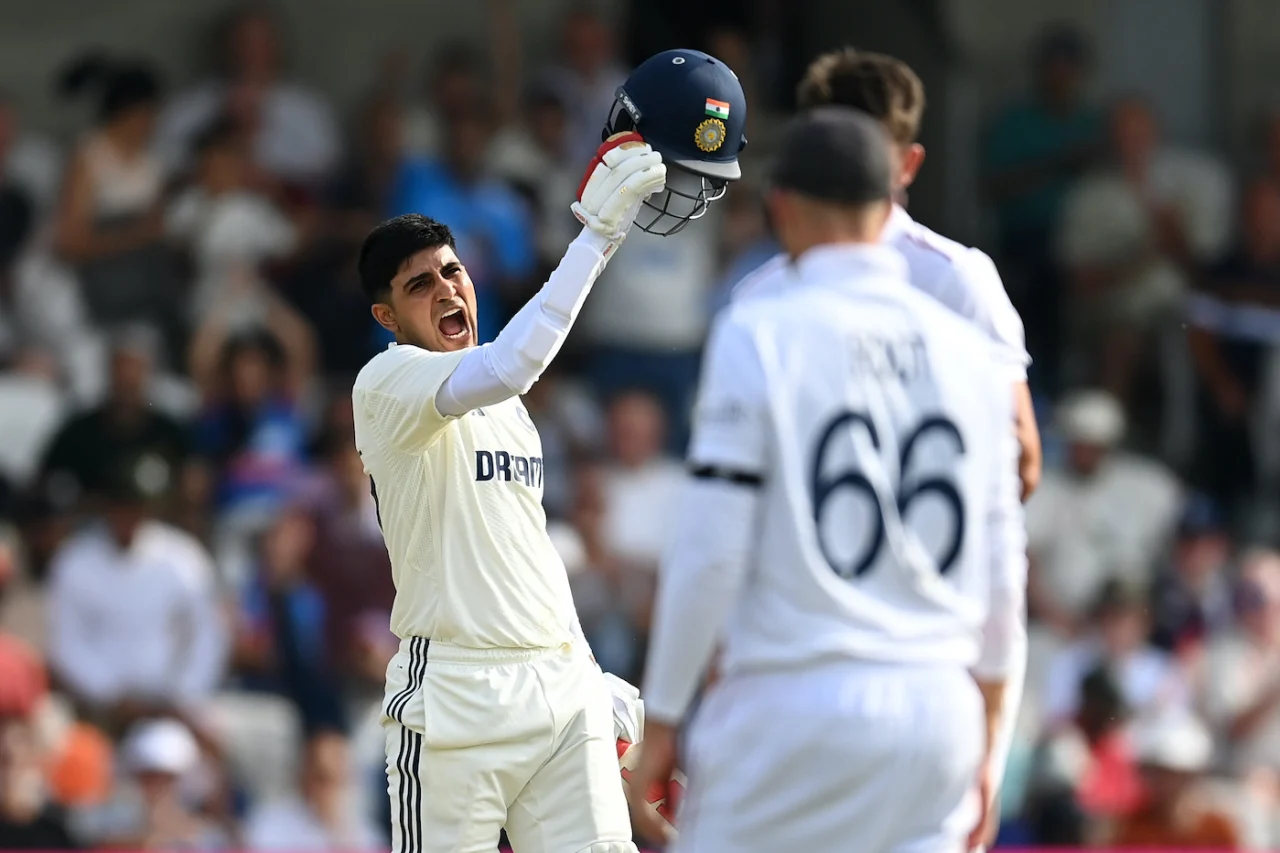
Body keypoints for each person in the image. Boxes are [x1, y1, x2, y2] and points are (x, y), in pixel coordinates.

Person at [353, 46, 740, 853]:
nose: (448, 289)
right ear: (388, 319)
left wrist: (587, 675)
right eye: (419, 284)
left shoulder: (510, 408)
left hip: (556, 692)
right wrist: (599, 233)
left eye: (452, 271)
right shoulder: (387, 384)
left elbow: (519, 555)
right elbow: (513, 362)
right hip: (455, 698)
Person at [629, 107, 1026, 852]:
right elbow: (1005, 572)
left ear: (780, 207)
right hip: (937, 714)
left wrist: (663, 718)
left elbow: (712, 549)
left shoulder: (759, 328)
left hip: (790, 702)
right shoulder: (971, 354)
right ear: (890, 206)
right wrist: (993, 740)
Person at [727, 46, 1037, 833]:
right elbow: (1016, 471)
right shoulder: (765, 295)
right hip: (856, 648)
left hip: (858, 643)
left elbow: (1019, 459)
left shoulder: (950, 277)